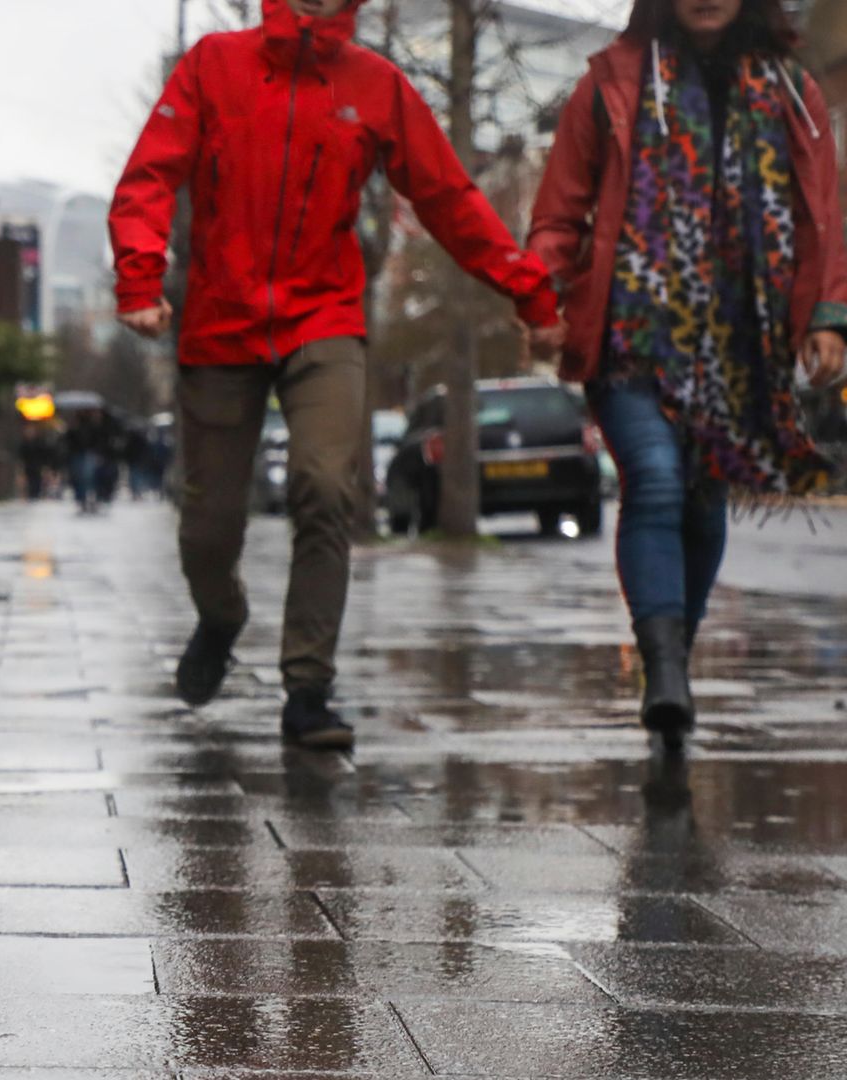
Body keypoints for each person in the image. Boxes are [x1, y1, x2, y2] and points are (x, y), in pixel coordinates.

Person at [111, 0, 564, 749]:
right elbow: (148, 177)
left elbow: (450, 199)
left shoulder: (376, 84)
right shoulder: (213, 66)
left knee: (324, 484)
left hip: (323, 315)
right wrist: (138, 278)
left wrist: (528, 289)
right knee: (209, 526)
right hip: (220, 322)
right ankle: (221, 618)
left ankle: (308, 688)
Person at [529, 0, 845, 750]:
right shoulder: (609, 83)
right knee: (658, 482)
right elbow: (559, 213)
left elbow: (823, 217)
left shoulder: (794, 91)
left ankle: (670, 660)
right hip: (628, 335)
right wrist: (540, 297)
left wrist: (830, 317)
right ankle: (665, 671)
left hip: (738, 349)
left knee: (703, 509)